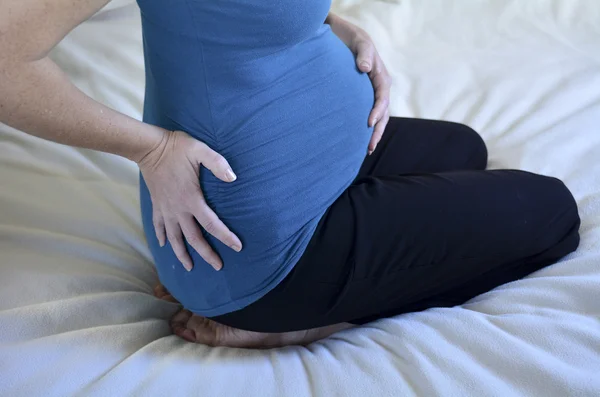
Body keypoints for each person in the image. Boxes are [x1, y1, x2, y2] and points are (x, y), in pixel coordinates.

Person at [0, 0, 580, 349]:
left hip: (319, 162)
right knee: (552, 214)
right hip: (257, 246)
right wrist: (151, 151)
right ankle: (299, 322)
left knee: (465, 149)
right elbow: (5, 56)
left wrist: (333, 25)